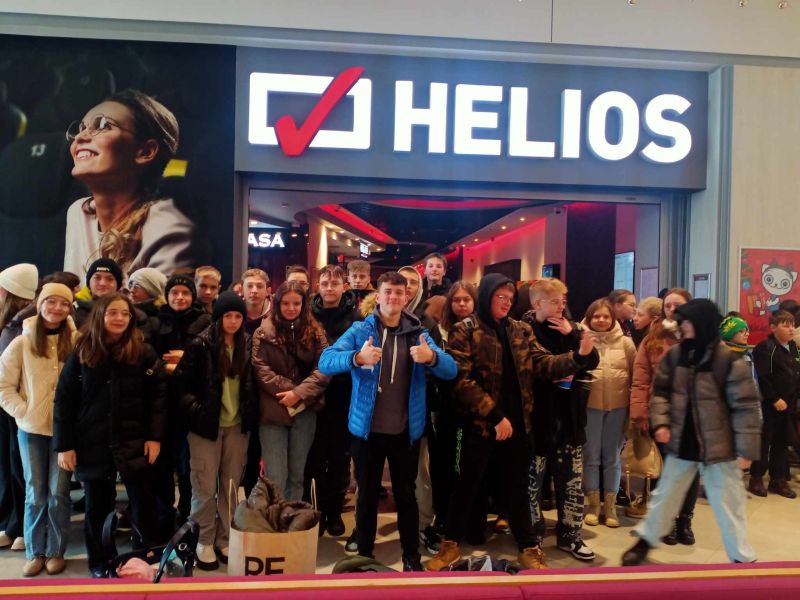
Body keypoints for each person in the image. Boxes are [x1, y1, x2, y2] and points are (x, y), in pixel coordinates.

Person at [427, 274, 595, 572]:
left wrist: (579, 356)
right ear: (487, 296)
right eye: (500, 297)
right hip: (480, 425)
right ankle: (449, 545)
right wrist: (495, 416)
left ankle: (528, 547)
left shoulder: (520, 329)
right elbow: (461, 380)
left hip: (518, 426)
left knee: (518, 489)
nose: (506, 303)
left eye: (510, 298)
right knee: (466, 486)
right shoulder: (465, 329)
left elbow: (543, 364)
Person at [319, 272, 457, 572]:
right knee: (366, 496)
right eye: (388, 292)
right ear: (378, 296)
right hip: (366, 432)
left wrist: (431, 357)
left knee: (406, 495)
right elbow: (325, 361)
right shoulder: (360, 330)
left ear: (406, 297)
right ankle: (364, 555)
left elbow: (451, 370)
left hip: (406, 432)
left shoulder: (419, 332)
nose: (393, 297)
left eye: (398, 292)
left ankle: (411, 557)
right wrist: (357, 358)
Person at [622, 299, 761, 566]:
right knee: (665, 496)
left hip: (720, 446)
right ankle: (645, 541)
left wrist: (746, 450)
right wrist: (662, 423)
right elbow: (661, 392)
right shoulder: (676, 355)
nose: (682, 326)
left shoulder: (727, 361)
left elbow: (746, 407)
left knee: (728, 503)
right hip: (682, 441)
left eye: (687, 322)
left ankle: (741, 558)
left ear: (702, 323)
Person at [53, 293, 166, 578]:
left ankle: (144, 557)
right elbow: (64, 400)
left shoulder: (143, 350)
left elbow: (158, 398)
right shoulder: (83, 350)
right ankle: (101, 561)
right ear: (100, 315)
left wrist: (154, 437)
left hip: (134, 439)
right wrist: (64, 445)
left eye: (125, 314)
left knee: (142, 501)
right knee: (97, 506)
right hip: (92, 440)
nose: (119, 318)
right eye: (113, 312)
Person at [63, 88, 193, 279]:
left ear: (145, 152)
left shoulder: (169, 229)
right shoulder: (78, 213)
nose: (80, 137)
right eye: (82, 128)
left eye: (103, 125)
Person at [0, 284, 77, 576]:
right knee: (35, 492)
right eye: (51, 302)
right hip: (31, 431)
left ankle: (56, 550)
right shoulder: (22, 342)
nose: (56, 308)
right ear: (40, 304)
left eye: (63, 303)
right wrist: (24, 412)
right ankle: (35, 551)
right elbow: (3, 385)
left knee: (59, 493)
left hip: (65, 433)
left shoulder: (77, 341)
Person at [177, 291, 258, 570]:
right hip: (206, 429)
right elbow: (181, 387)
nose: (233, 321)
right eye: (228, 316)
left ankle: (225, 537)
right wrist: (198, 411)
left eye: (238, 316)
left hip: (237, 427)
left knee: (231, 487)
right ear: (218, 317)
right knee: (204, 487)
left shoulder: (247, 344)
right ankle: (203, 539)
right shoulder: (200, 344)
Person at [522, 279, 599, 561]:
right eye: (555, 301)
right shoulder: (524, 330)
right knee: (532, 482)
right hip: (538, 416)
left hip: (570, 415)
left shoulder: (571, 326)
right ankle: (532, 537)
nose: (561, 306)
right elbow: (539, 366)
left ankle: (570, 535)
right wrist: (575, 355)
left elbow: (593, 360)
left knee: (571, 481)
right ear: (538, 303)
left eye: (563, 301)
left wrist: (574, 333)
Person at [252, 281, 330, 501]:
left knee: (297, 476)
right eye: (286, 303)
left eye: (296, 303)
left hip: (305, 410)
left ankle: (291, 518)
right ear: (277, 303)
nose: (291, 308)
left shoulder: (316, 332)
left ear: (304, 304)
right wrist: (292, 391)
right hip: (273, 410)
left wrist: (299, 394)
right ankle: (275, 519)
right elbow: (261, 370)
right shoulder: (263, 332)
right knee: (275, 477)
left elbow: (324, 368)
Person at [627, 288, 694, 526]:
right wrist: (640, 414)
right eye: (668, 306)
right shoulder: (652, 338)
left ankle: (685, 520)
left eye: (678, 306)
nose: (672, 310)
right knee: (662, 467)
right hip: (661, 413)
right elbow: (641, 379)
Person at [151, 275, 212, 527]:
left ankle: (188, 516)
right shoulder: (156, 322)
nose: (180, 297)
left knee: (188, 466)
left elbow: (209, 361)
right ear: (167, 295)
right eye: (174, 292)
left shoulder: (204, 321)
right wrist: (166, 366)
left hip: (190, 404)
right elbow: (147, 358)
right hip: (160, 405)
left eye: (185, 293)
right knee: (161, 466)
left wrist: (182, 362)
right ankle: (163, 517)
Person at [305, 266, 360, 537]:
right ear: (318, 285)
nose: (329, 288)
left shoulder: (356, 317)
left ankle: (334, 510)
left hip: (343, 394)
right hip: (313, 395)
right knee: (314, 457)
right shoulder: (307, 314)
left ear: (344, 286)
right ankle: (315, 511)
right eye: (325, 283)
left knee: (339, 457)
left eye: (334, 283)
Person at [581, 298, 636, 529]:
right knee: (591, 456)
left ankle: (610, 508)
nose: (601, 320)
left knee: (612, 457)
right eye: (596, 316)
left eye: (606, 316)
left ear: (613, 319)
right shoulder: (581, 339)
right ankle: (593, 506)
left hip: (618, 407)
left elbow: (635, 377)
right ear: (589, 318)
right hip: (590, 407)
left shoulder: (626, 344)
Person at [0, 263, 38, 554]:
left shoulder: (27, 323)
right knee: (8, 465)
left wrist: (22, 407)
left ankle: (21, 527)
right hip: (8, 403)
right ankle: (10, 523)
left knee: (20, 468)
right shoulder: (10, 322)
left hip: (22, 406)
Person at [748, 310, 800, 499]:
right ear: (773, 327)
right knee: (764, 443)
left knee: (782, 443)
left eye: (792, 325)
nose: (791, 329)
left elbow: (795, 372)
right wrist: (774, 399)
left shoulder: (793, 347)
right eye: (786, 325)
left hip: (789, 404)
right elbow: (763, 377)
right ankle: (756, 478)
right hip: (770, 405)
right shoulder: (765, 348)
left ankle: (778, 479)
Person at [720, 314, 755, 380]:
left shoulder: (747, 355)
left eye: (746, 331)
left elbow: (753, 378)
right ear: (730, 334)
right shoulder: (723, 355)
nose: (747, 334)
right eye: (741, 331)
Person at [242, 268, 271, 336]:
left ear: (268, 291)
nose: (254, 291)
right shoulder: (234, 310)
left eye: (260, 286)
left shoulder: (276, 312)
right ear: (242, 290)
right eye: (249, 286)